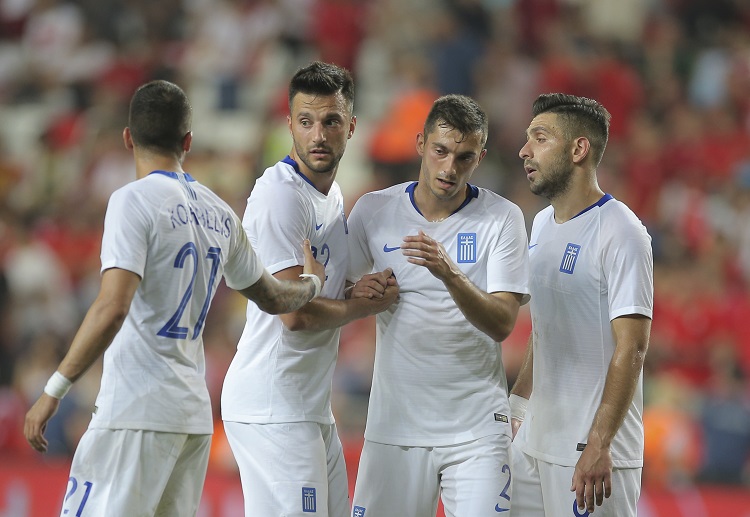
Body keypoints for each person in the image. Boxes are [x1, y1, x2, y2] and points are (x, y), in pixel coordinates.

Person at [23, 80, 327, 516]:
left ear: (128, 137)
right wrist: (313, 283)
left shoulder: (132, 201)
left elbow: (113, 306)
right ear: (187, 141)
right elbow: (276, 297)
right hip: (190, 419)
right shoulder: (220, 213)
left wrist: (54, 388)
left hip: (134, 412)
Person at [220, 61, 398, 517]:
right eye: (306, 121)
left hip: (308, 403)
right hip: (272, 403)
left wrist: (359, 286)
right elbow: (294, 313)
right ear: (290, 126)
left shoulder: (331, 195)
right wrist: (362, 305)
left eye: (331, 121)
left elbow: (325, 289)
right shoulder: (280, 196)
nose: (318, 134)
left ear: (351, 126)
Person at [347, 94, 531, 517]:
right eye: (441, 151)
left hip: (476, 430)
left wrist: (449, 272)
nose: (449, 168)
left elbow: (503, 323)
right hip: (394, 426)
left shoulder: (502, 218)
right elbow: (340, 290)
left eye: (464, 157)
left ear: (480, 156)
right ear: (420, 144)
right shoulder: (374, 211)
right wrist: (360, 293)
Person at [509, 93, 653, 516]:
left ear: (578, 149)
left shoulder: (622, 233)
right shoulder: (540, 223)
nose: (524, 151)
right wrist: (518, 404)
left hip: (590, 452)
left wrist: (599, 442)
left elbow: (633, 347)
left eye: (540, 138)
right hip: (536, 440)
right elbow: (545, 324)